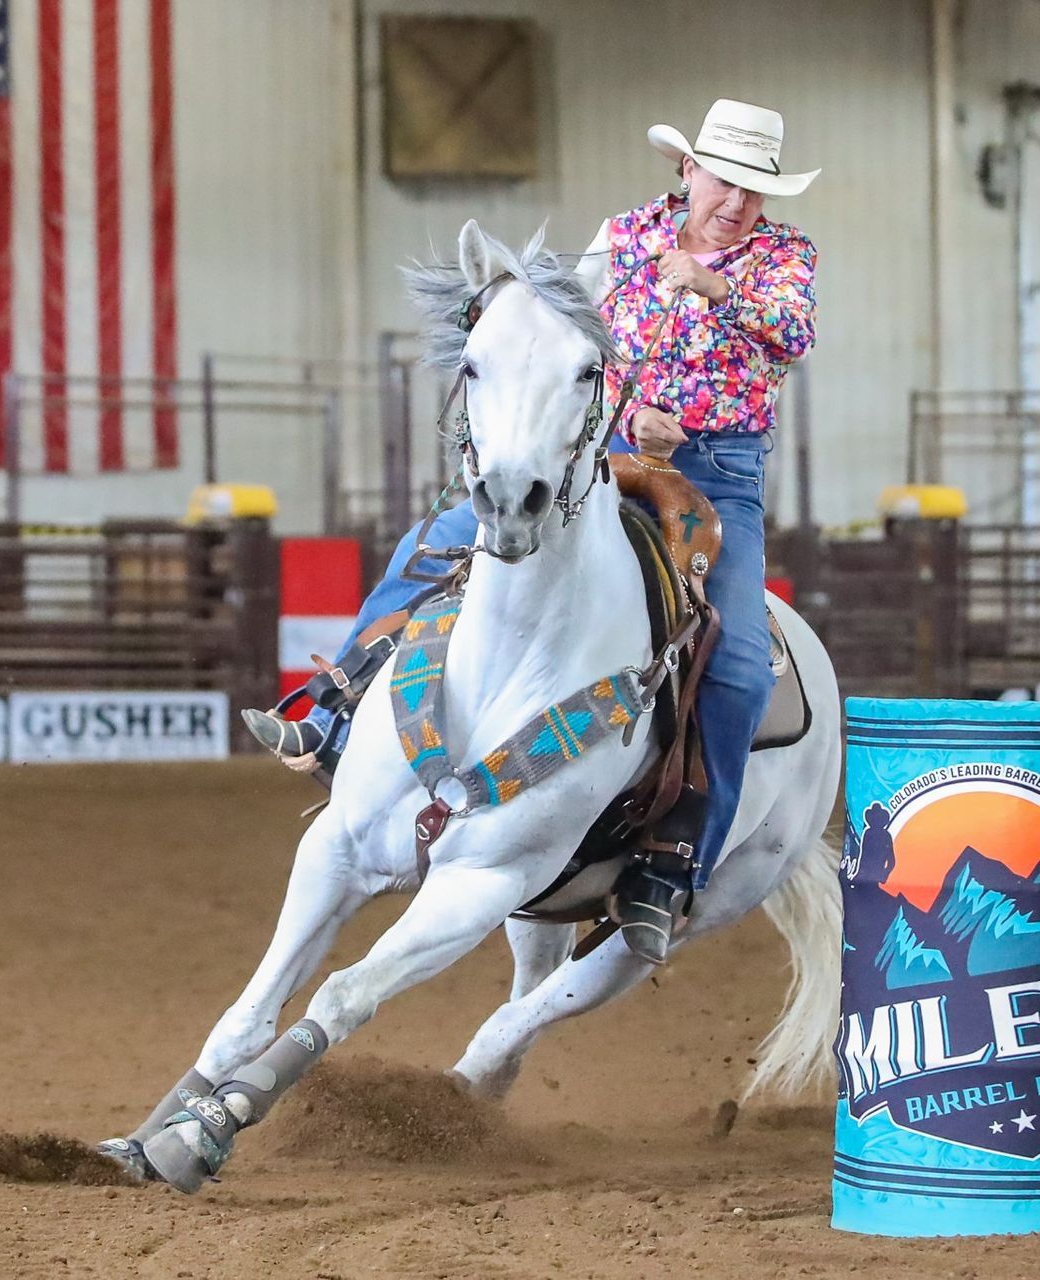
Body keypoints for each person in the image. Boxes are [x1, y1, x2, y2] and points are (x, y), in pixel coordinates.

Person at [245, 98, 818, 963]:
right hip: (603, 443)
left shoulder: (783, 258)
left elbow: (794, 332)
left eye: (751, 188)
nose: (734, 202)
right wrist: (616, 410)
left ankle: (676, 854)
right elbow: (565, 332)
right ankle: (333, 710)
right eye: (722, 180)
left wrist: (715, 292)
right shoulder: (620, 240)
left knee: (736, 662)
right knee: (432, 544)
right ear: (686, 170)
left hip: (714, 474)